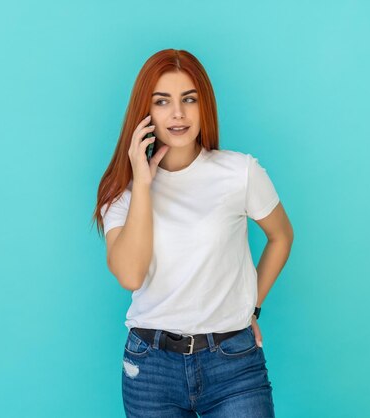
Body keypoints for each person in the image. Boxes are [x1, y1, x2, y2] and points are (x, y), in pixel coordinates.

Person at [93, 49, 294, 417]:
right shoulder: (120, 191)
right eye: (162, 101)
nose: (178, 113)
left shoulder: (240, 173)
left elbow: (281, 236)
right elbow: (130, 274)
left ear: (204, 106)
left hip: (234, 362)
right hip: (151, 369)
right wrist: (142, 184)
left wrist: (252, 305)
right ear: (145, 113)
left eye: (189, 99)